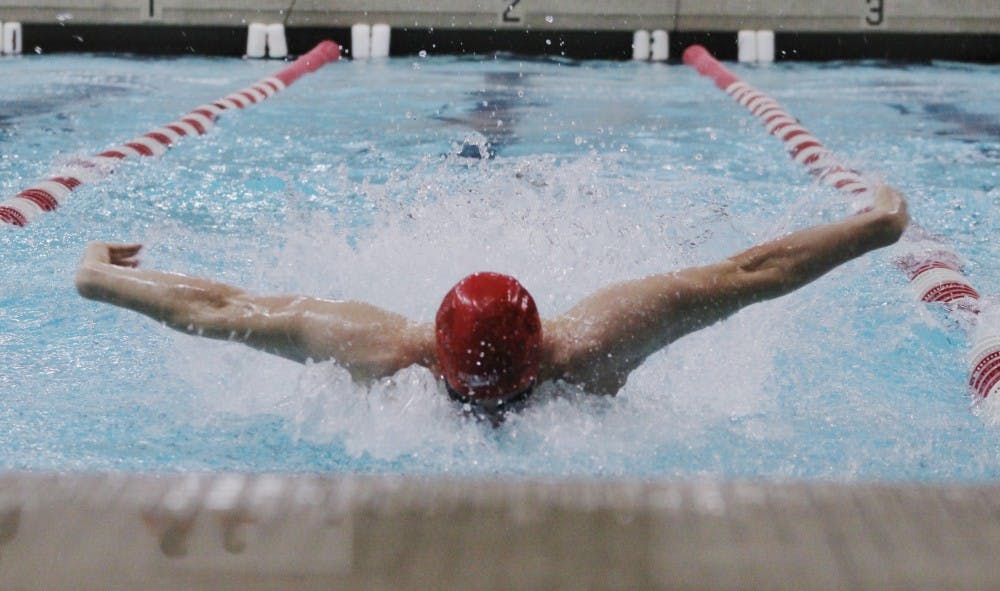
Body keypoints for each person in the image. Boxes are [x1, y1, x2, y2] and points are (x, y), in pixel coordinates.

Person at [76, 184, 908, 420]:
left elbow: (220, 310)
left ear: (436, 349)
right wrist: (875, 226)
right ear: (539, 343)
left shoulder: (379, 352)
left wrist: (101, 275)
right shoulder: (593, 347)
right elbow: (750, 273)